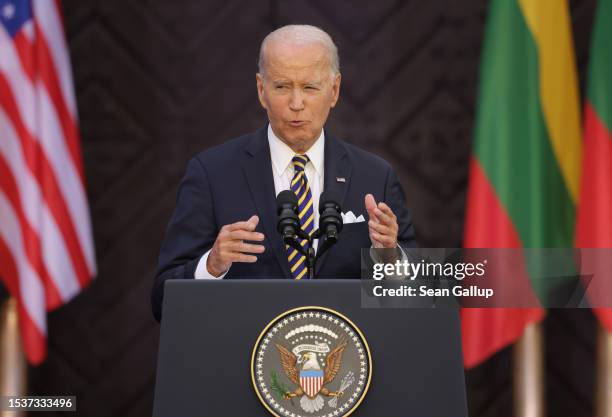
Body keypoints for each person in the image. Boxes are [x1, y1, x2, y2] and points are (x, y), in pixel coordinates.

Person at [151, 25, 416, 321]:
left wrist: (391, 257)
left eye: (309, 87)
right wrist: (211, 265)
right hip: (243, 359)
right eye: (281, 86)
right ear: (261, 90)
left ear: (335, 90)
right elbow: (162, 300)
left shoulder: (375, 176)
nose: (296, 103)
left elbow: (417, 301)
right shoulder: (211, 173)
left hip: (348, 358)